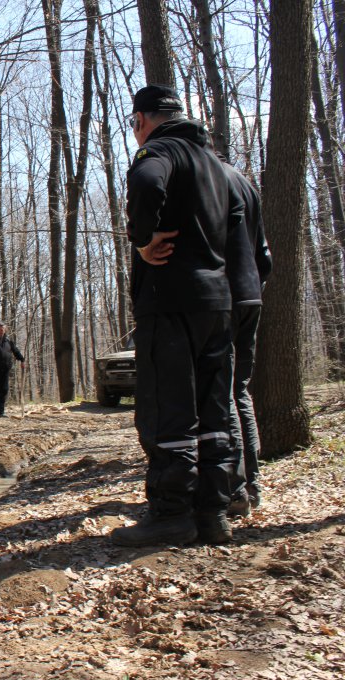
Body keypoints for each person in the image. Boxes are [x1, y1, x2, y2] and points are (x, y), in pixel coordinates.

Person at [111, 84, 244, 547]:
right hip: (217, 301)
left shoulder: (159, 149)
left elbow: (147, 183)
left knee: (168, 409)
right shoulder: (214, 163)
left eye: (134, 124)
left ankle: (170, 515)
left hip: (170, 301)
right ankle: (212, 514)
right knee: (213, 410)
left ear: (142, 119)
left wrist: (141, 239)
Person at [222, 160, 272, 517]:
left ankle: (235, 489)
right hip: (251, 294)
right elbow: (264, 256)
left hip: (220, 298)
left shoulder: (204, 178)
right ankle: (252, 485)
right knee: (239, 390)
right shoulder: (246, 183)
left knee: (220, 392)